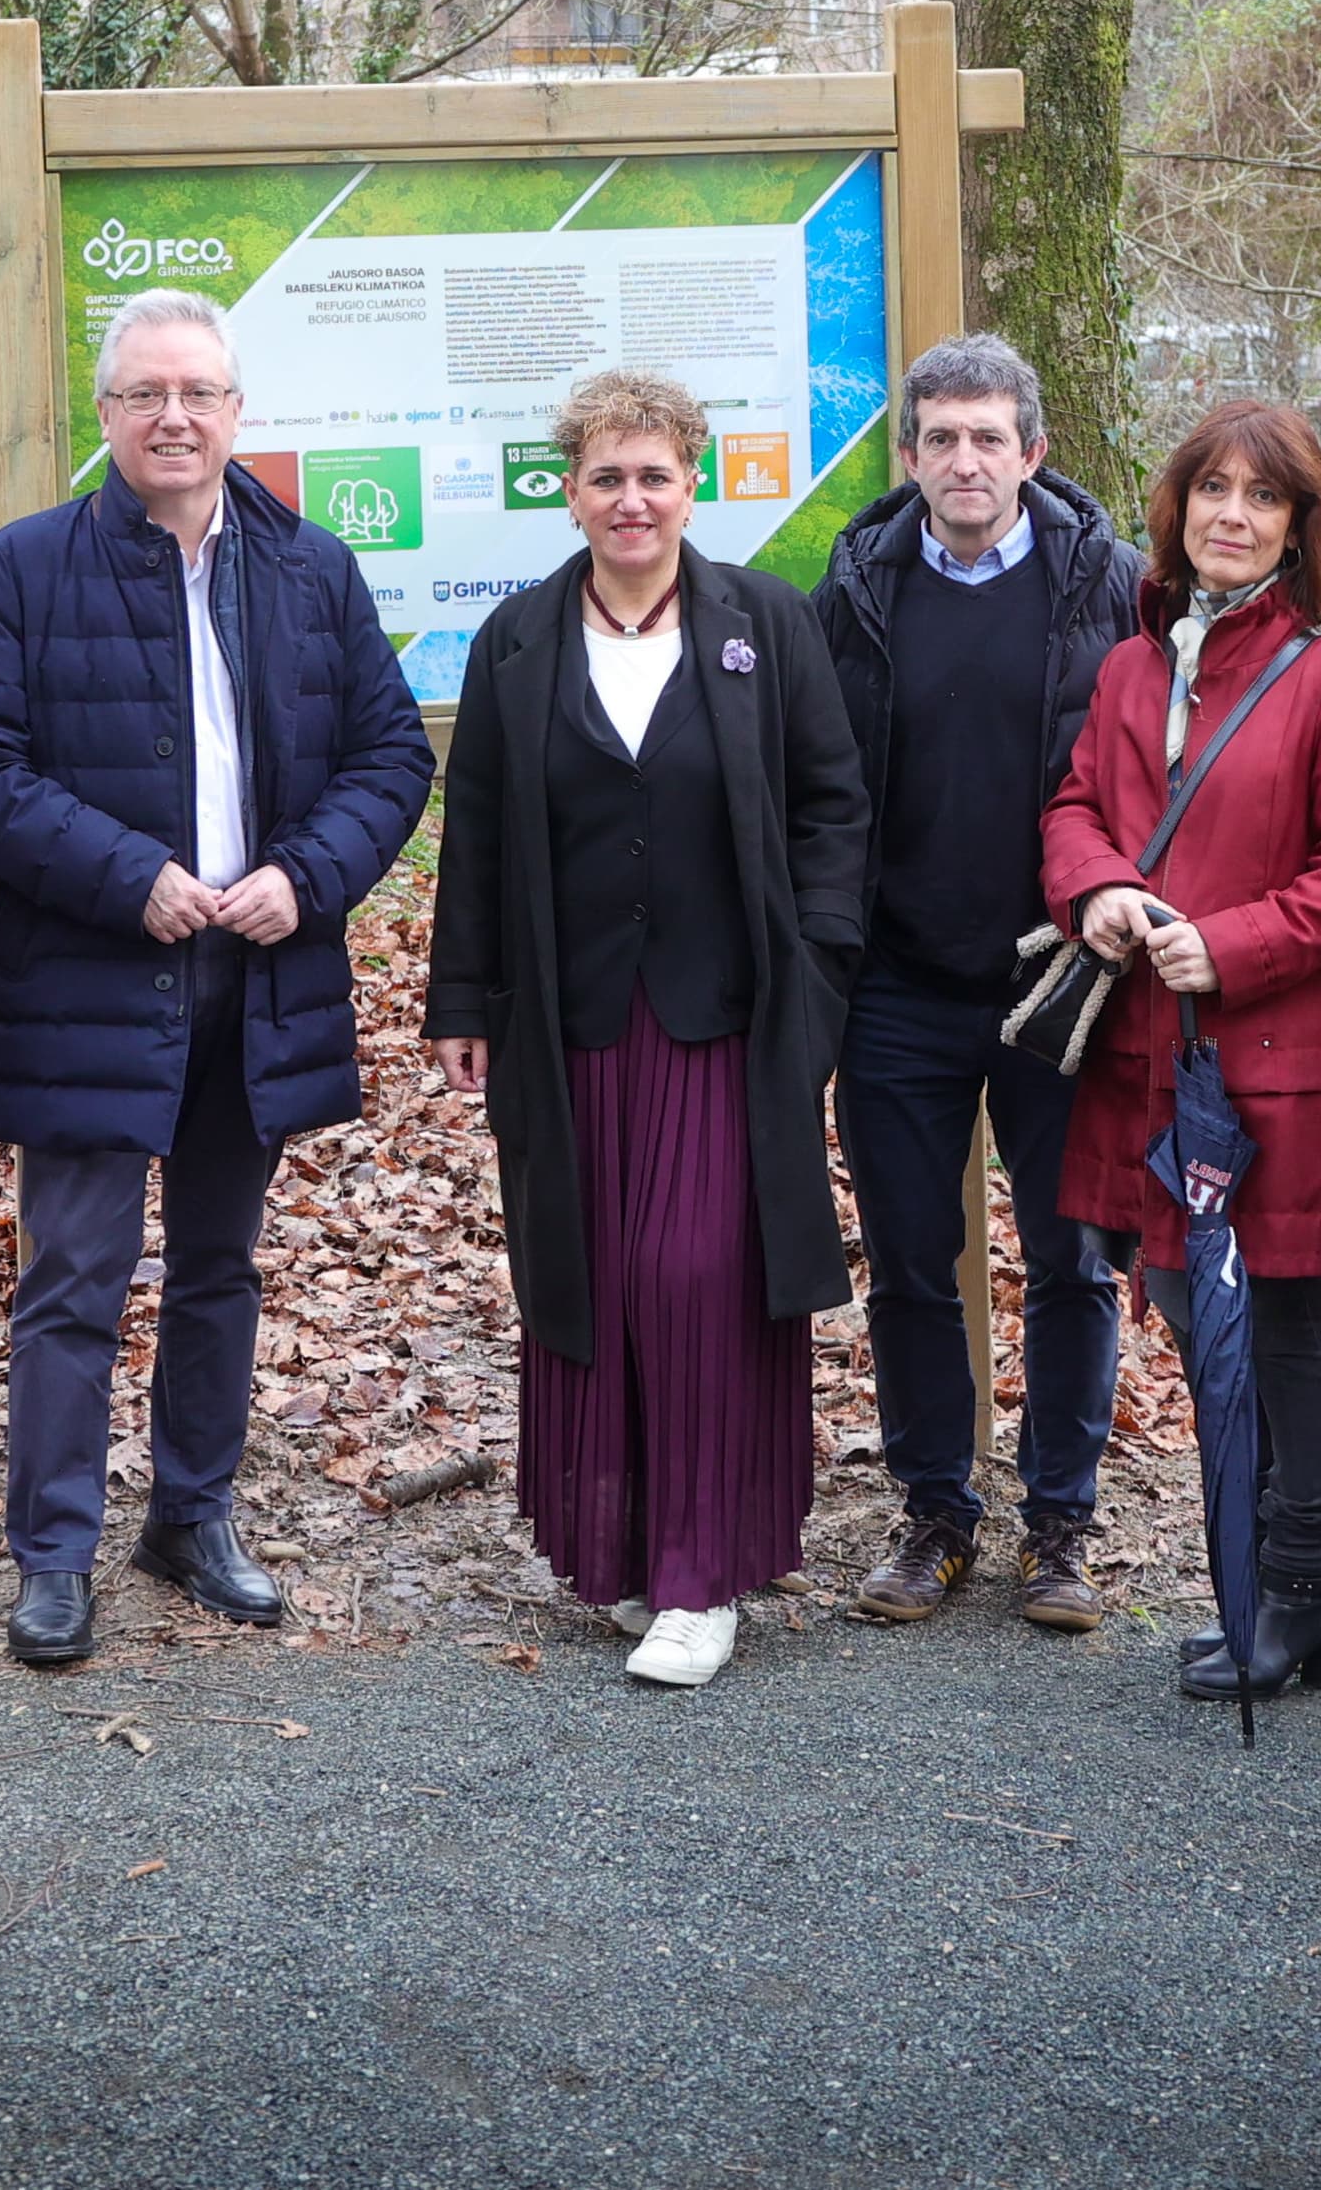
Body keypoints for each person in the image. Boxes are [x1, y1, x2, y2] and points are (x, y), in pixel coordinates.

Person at [0, 288, 434, 1672]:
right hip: (92, 976)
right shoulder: (25, 570)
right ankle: (51, 1556)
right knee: (75, 1275)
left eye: (198, 393)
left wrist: (306, 874)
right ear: (106, 415)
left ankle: (192, 1517)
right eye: (145, 394)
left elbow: (391, 758)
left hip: (258, 979)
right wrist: (128, 876)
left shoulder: (310, 570)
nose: (173, 416)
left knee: (220, 1266)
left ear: (235, 411)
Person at [431, 368, 868, 1688]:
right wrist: (460, 997)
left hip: (726, 1023)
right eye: (606, 477)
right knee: (596, 1278)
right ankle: (614, 1555)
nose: (632, 500)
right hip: (569, 1028)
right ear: (568, 493)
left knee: (698, 1283)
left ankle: (701, 1572)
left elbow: (831, 810)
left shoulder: (764, 626)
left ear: (696, 484)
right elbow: (480, 835)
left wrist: (821, 970)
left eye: (656, 474)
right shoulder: (513, 642)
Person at [1043, 398, 1321, 1705]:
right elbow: (1081, 803)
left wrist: (1230, 943)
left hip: (1277, 1055)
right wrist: (1092, 890)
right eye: (1212, 492)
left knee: (1278, 1322)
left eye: (1262, 498)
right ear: (1178, 508)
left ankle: (1299, 1597)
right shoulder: (1135, 668)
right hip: (1150, 1052)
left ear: (1300, 527)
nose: (1232, 516)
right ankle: (1249, 1591)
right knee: (1199, 1315)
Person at [807, 333, 1143, 1634]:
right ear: (909, 456)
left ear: (1032, 453)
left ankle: (1058, 1524)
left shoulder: (1108, 587)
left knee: (1072, 1261)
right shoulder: (855, 590)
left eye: (986, 438)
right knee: (907, 1262)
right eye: (938, 438)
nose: (962, 460)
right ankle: (934, 1511)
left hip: (1061, 984)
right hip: (897, 985)